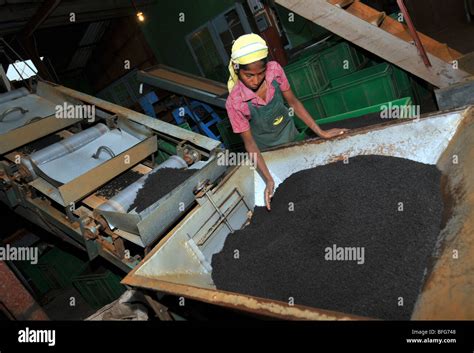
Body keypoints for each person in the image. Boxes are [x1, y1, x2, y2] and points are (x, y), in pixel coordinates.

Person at [225, 33, 348, 211]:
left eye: (260, 73)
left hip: (291, 133)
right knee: (294, 195)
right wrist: (268, 179)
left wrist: (321, 132)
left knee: (315, 181)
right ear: (237, 69)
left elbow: (294, 103)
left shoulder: (274, 70)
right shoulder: (235, 102)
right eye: (249, 75)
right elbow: (250, 144)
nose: (256, 80)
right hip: (268, 152)